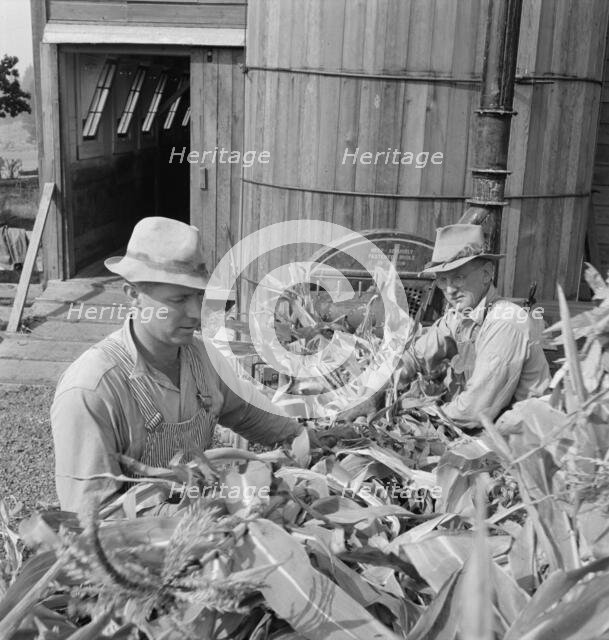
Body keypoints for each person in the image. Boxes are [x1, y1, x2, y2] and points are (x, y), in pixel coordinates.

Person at [51, 217, 308, 516]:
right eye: (179, 298)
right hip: (137, 549)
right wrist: (195, 516)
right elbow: (92, 517)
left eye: (199, 296)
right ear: (133, 295)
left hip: (204, 527)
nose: (195, 313)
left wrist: (300, 436)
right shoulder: (91, 390)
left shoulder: (201, 357)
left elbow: (248, 412)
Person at [400, 223, 550, 430]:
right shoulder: (461, 315)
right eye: (443, 280)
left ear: (487, 274)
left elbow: (474, 412)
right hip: (486, 428)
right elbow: (417, 355)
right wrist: (381, 386)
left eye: (459, 277)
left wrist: (420, 416)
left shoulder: (505, 322)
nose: (450, 290)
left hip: (523, 440)